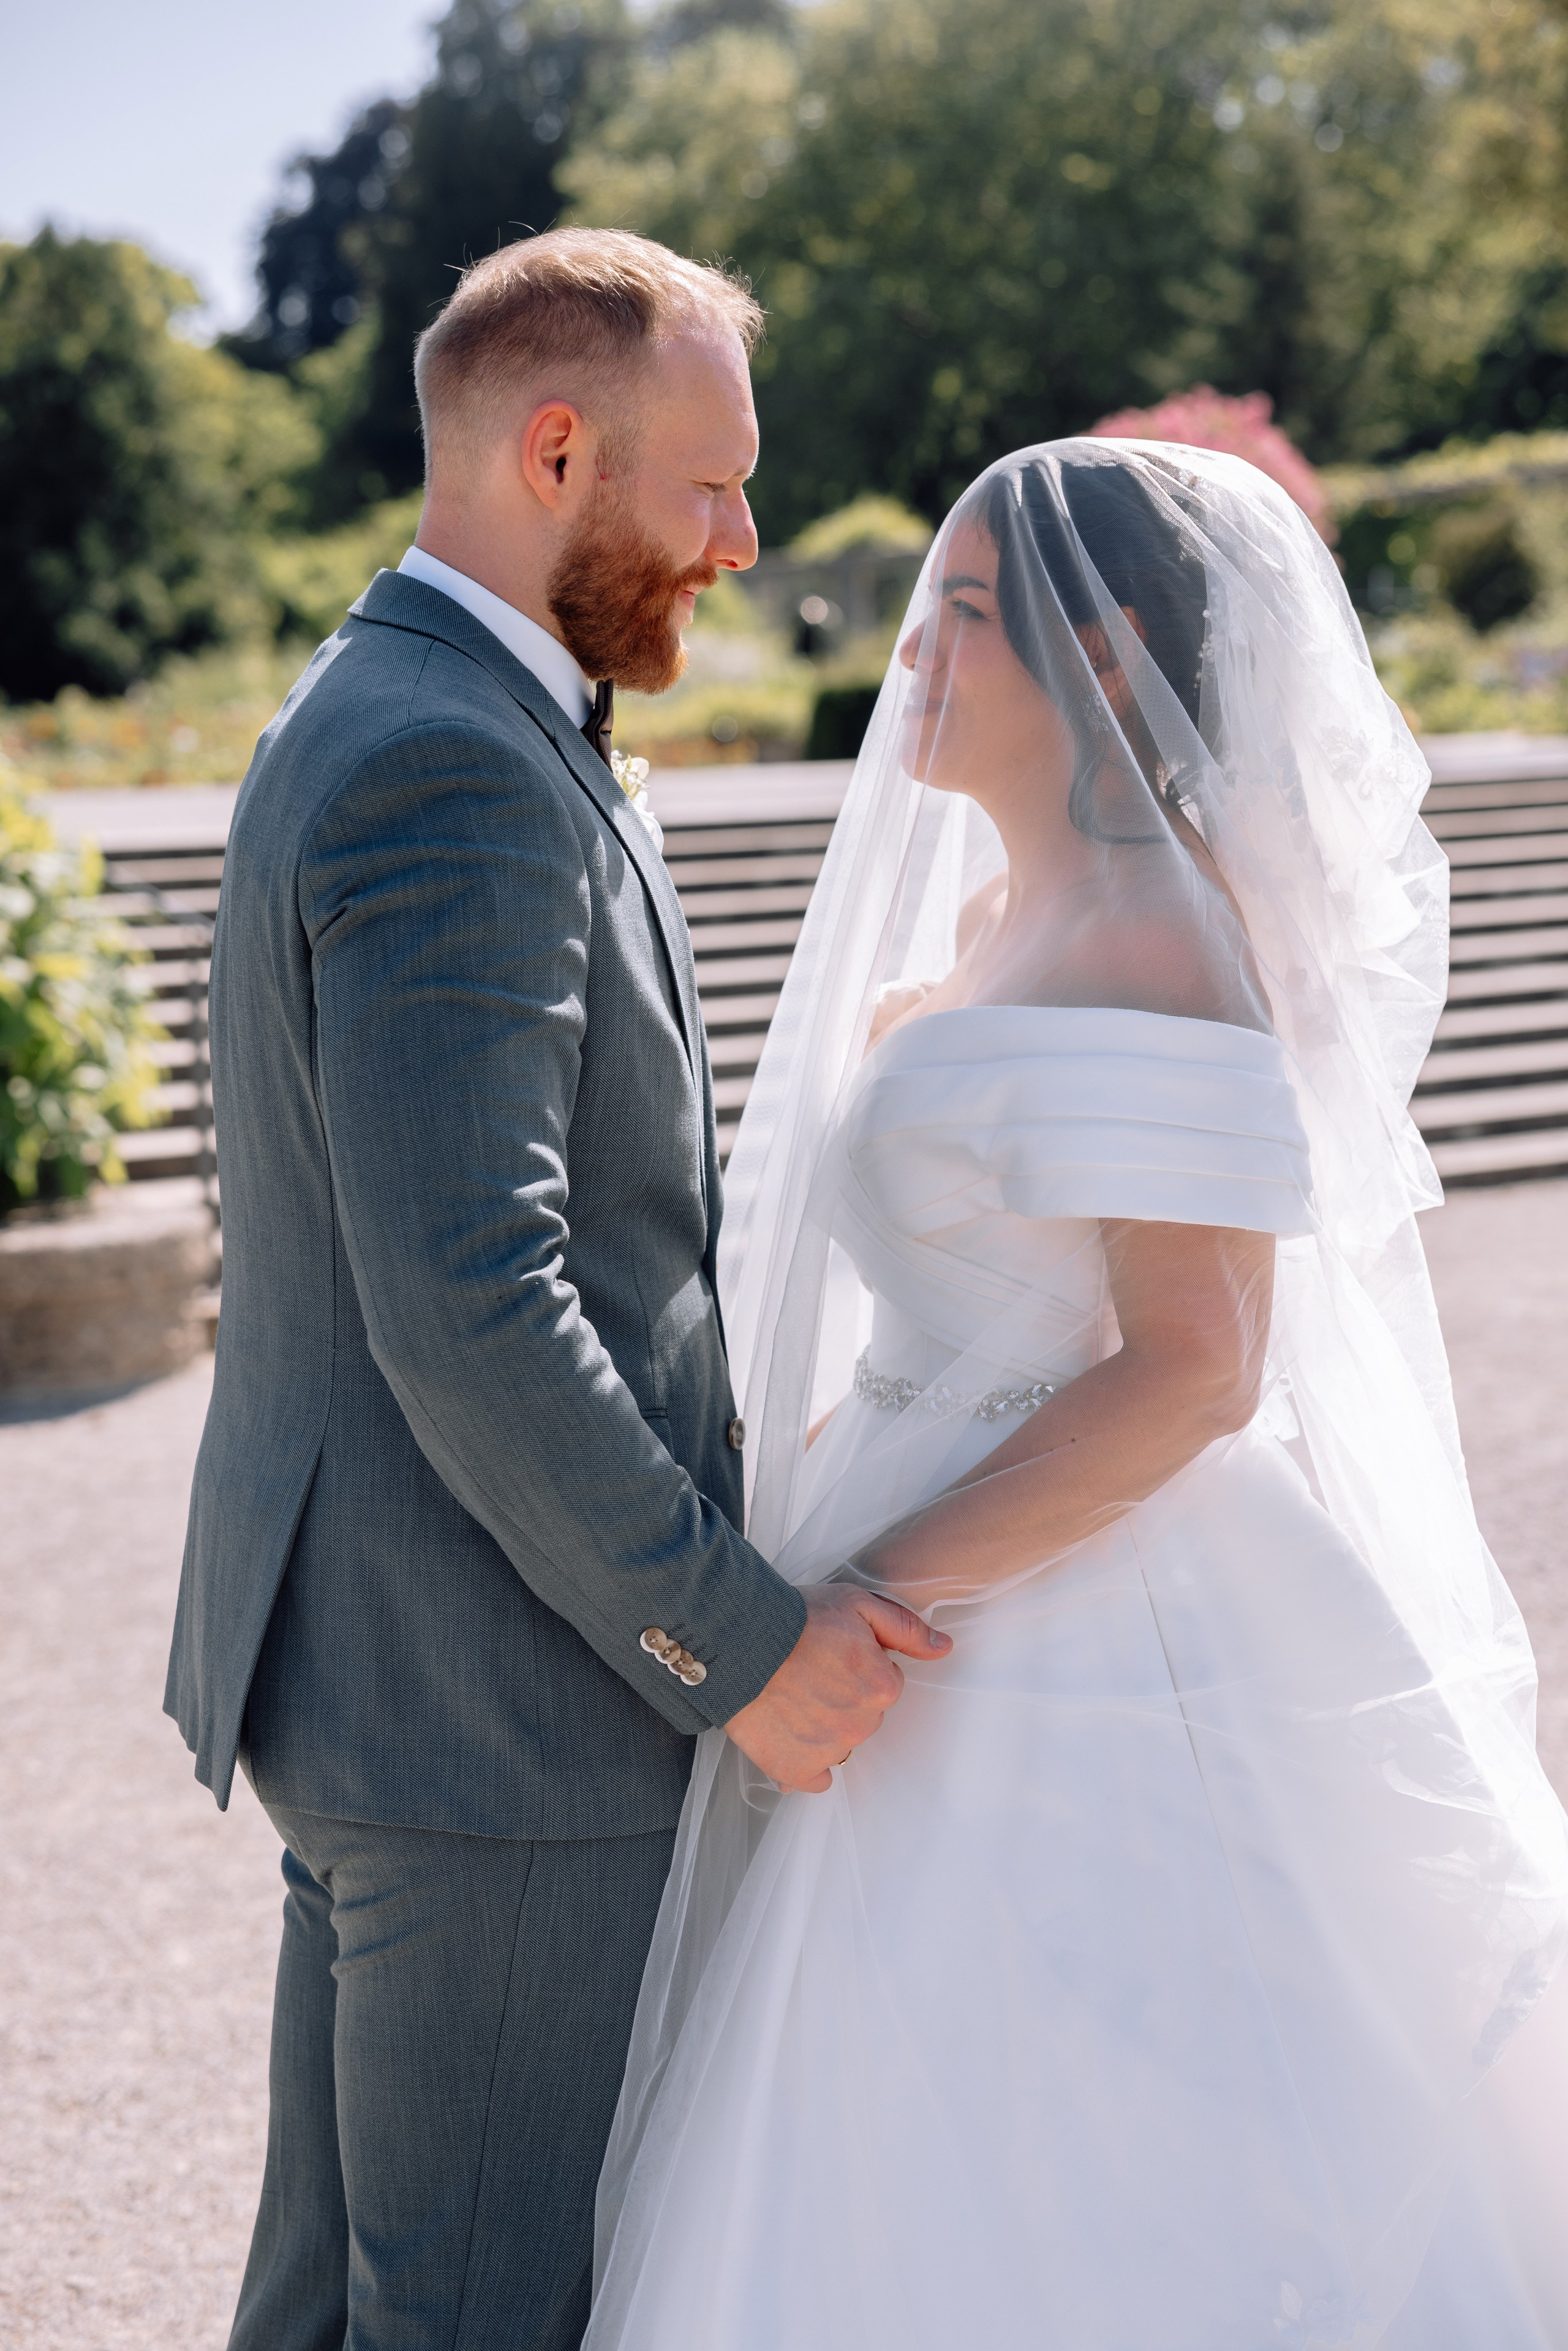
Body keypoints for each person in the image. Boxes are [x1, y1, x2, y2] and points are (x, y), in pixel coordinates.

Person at [585, 442, 1568, 2349]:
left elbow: (1199, 1371)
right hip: (916, 1526)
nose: (910, 662)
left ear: (1106, 665)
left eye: (963, 620)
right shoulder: (990, 930)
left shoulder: (1150, 944)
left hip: (1094, 1606)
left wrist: (869, 1598)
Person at [164, 226, 949, 2351]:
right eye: (708, 485)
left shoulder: (400, 698)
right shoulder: (454, 764)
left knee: (338, 2305)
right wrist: (742, 1650)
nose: (744, 537)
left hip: (396, 1676)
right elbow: (476, 1302)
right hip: (496, 1711)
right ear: (557, 445)